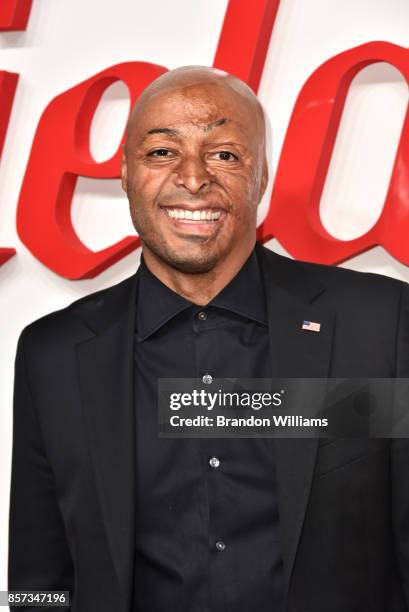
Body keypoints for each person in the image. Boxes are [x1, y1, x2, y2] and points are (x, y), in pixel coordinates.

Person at [8, 66, 409, 612]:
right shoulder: (51, 354)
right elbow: (38, 580)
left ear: (262, 175)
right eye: (161, 153)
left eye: (224, 154)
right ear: (125, 172)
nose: (193, 178)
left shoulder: (379, 325)